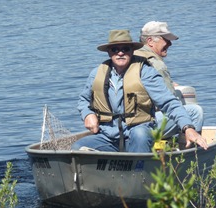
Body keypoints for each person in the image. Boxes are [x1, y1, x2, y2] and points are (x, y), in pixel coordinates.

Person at [71, 29, 208, 153]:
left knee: (140, 135)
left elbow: (169, 102)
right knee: (77, 147)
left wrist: (188, 127)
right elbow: (83, 100)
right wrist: (87, 114)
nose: (120, 53)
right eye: (115, 49)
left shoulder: (146, 72)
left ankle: (140, 173)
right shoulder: (96, 73)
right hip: (108, 135)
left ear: (132, 50)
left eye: (125, 49)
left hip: (137, 130)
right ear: (109, 52)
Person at [134, 21, 204, 139]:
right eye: (166, 39)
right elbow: (169, 101)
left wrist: (169, 83)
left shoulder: (131, 57)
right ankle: (188, 152)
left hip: (126, 121)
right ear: (150, 41)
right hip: (144, 123)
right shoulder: (156, 64)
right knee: (195, 111)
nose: (170, 43)